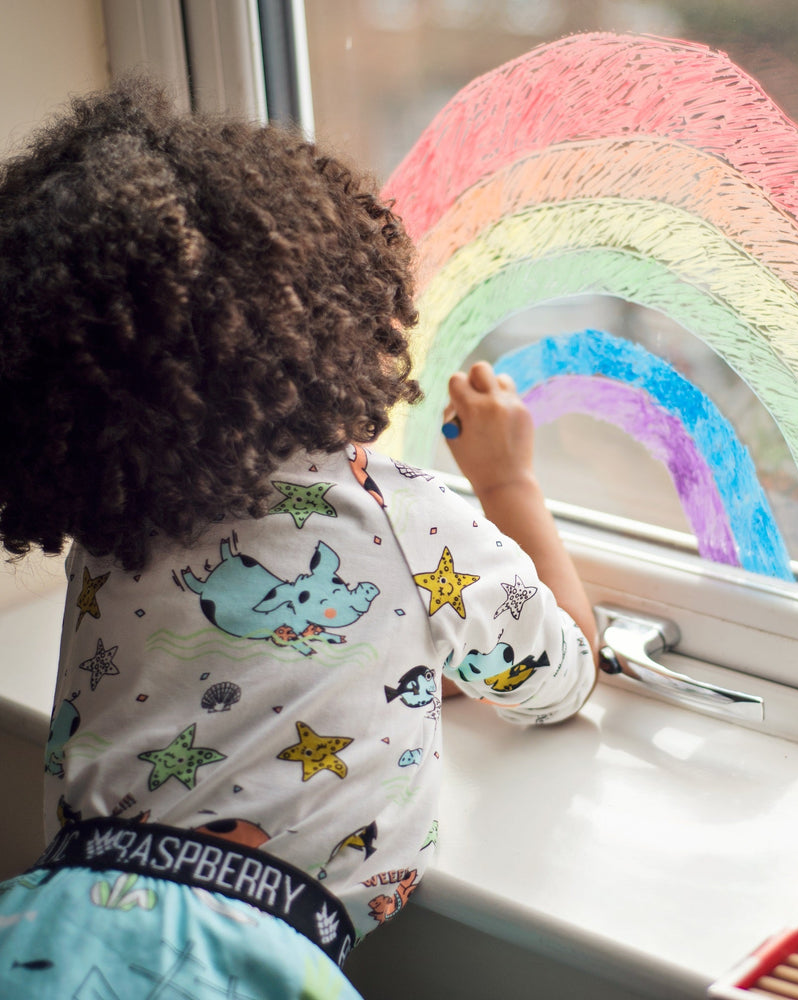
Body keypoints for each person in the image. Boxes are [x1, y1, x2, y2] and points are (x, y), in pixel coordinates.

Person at [0, 79, 597, 998]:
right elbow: (560, 676)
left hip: (40, 924)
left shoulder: (113, 529)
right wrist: (508, 480)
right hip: (238, 965)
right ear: (337, 319)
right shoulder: (403, 515)